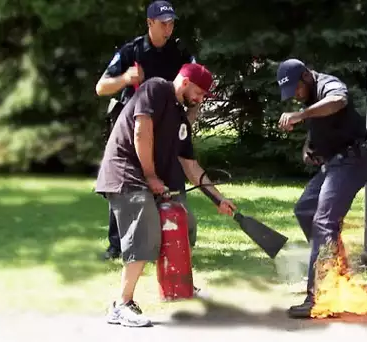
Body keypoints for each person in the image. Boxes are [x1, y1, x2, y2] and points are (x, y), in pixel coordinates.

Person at [95, 63, 237, 327]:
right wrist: (150, 176)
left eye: (205, 96)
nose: (201, 99)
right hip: (125, 173)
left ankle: (176, 285)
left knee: (186, 223)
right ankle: (121, 304)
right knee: (145, 229)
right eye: (200, 93)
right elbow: (141, 130)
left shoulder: (179, 117)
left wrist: (218, 199)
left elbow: (190, 165)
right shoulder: (156, 89)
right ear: (184, 81)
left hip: (147, 178)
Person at [95, 0, 200, 262]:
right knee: (129, 183)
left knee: (174, 183)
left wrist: (189, 117)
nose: (168, 28)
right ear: (149, 23)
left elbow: (196, 84)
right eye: (163, 23)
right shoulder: (132, 51)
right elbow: (101, 87)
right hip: (134, 128)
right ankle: (116, 244)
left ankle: (180, 241)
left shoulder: (180, 52)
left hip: (168, 129)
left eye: (171, 23)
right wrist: (126, 79)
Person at [274, 58, 367, 318]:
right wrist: (309, 147)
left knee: (324, 221)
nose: (296, 97)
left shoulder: (329, 85)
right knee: (306, 210)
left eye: (297, 89)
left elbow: (338, 102)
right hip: (334, 163)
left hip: (354, 161)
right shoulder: (309, 98)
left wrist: (301, 115)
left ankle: (319, 297)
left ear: (307, 77)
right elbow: (321, 126)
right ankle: (337, 272)